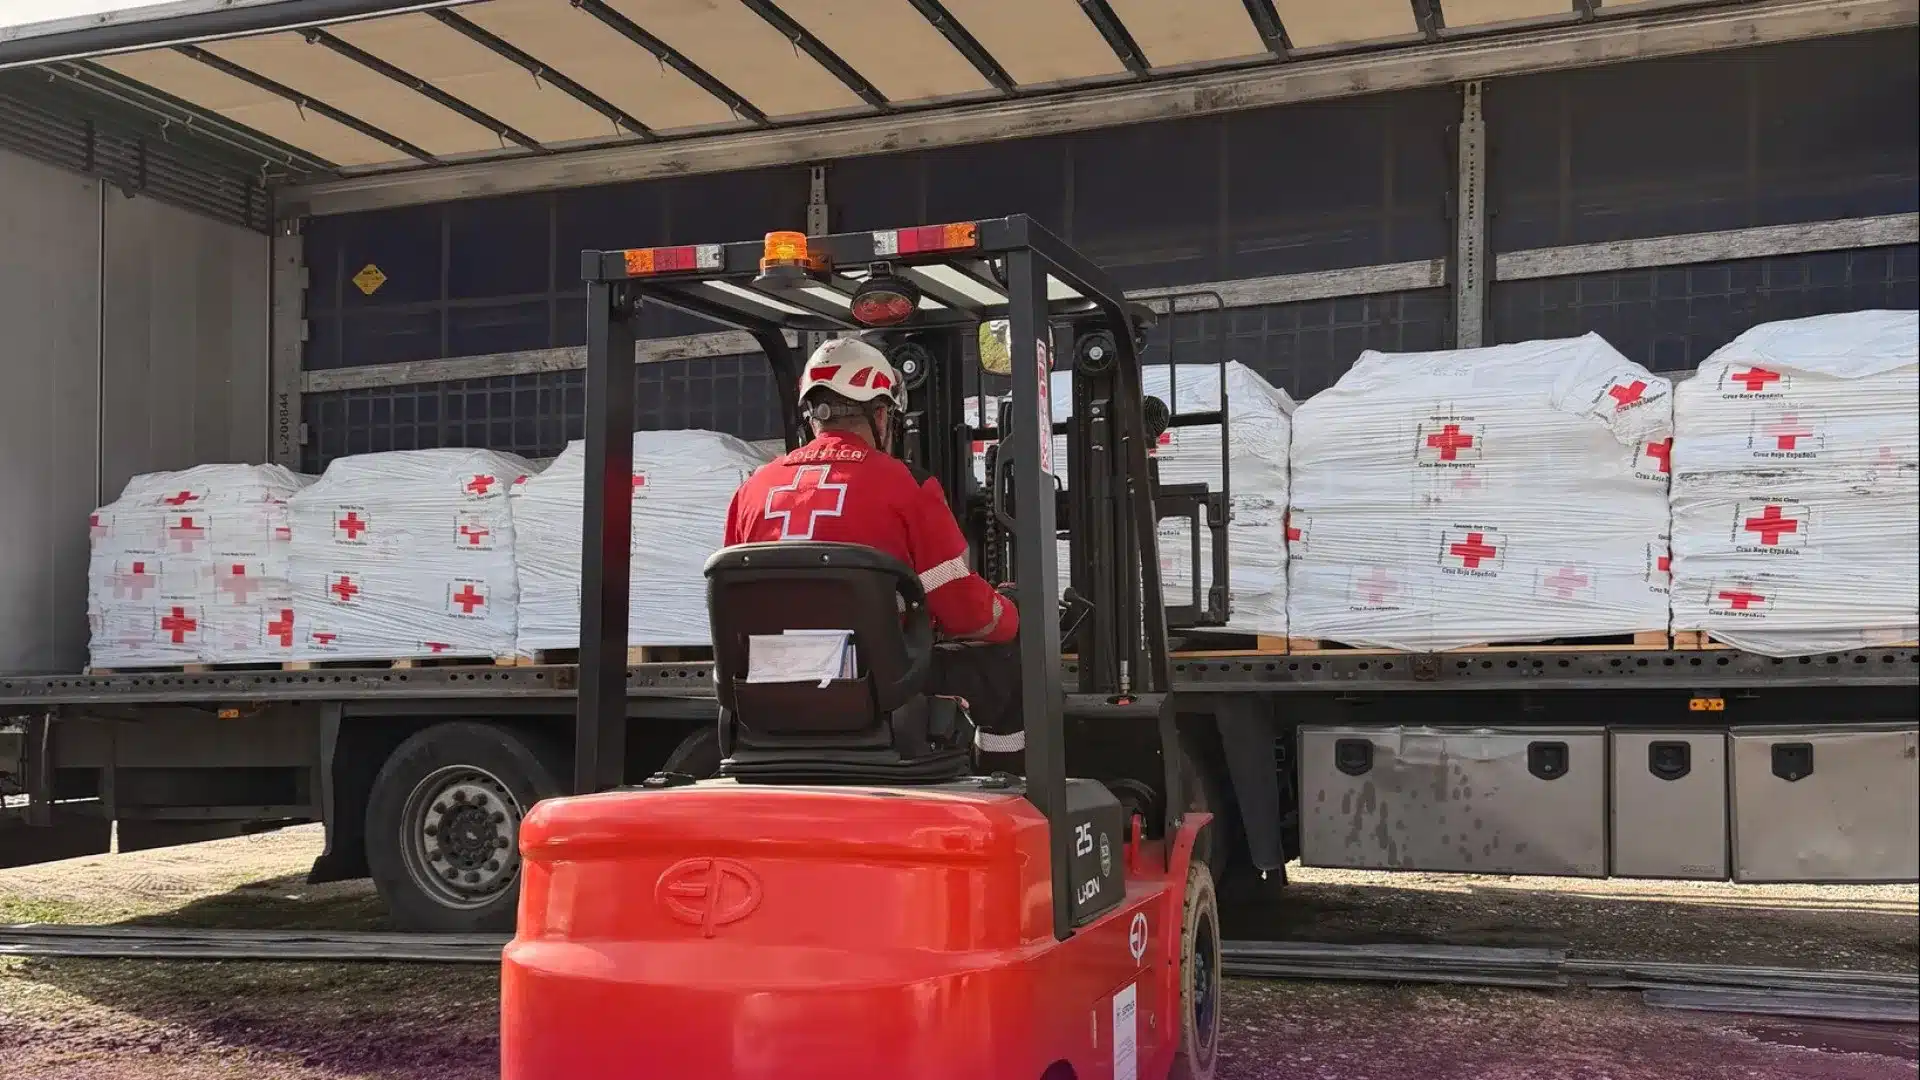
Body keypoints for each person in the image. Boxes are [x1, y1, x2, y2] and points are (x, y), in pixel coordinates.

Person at [723, 337, 1025, 763]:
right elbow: (963, 610)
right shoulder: (906, 485)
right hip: (870, 681)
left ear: (813, 415)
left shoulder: (752, 490)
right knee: (1007, 657)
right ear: (881, 415)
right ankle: (1006, 775)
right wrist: (1012, 612)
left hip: (764, 683)